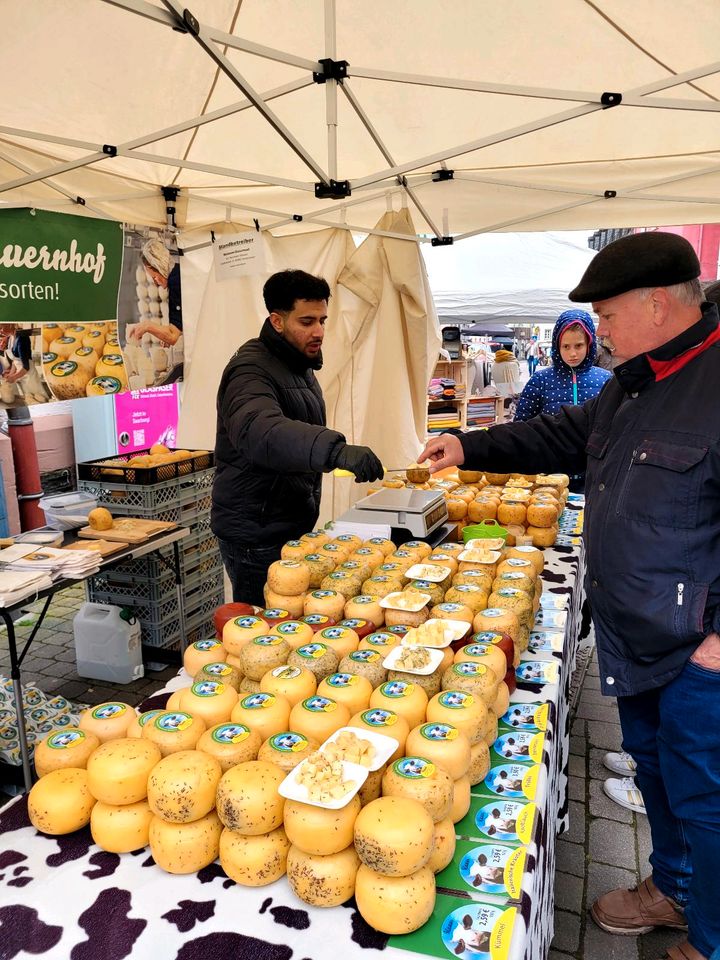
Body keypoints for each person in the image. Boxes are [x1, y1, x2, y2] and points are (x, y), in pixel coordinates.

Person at [419, 231, 720, 960]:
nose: (601, 331)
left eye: (608, 316)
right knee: (655, 775)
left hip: (699, 651)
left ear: (656, 305)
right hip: (636, 635)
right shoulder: (635, 382)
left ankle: (711, 940)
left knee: (707, 802)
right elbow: (560, 433)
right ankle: (673, 891)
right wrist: (469, 446)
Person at [212, 269, 384, 607]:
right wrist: (334, 451)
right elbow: (260, 430)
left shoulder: (297, 365)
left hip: (286, 525)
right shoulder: (250, 369)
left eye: (322, 320)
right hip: (255, 535)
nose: (318, 331)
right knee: (263, 629)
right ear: (277, 321)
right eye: (306, 322)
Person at [515, 309, 612, 492]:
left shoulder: (606, 380)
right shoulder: (540, 380)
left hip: (594, 477)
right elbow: (521, 427)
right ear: (556, 345)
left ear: (589, 344)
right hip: (548, 478)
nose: (572, 353)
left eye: (579, 345)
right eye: (566, 346)